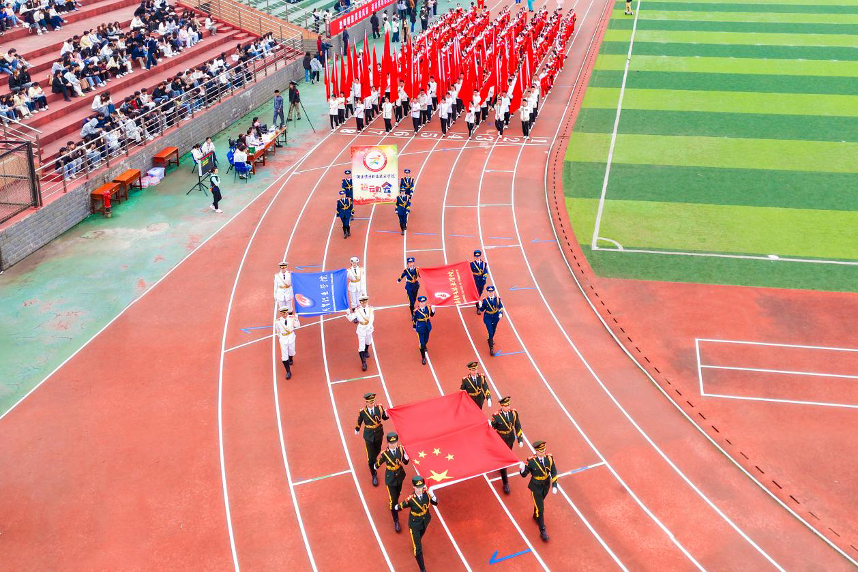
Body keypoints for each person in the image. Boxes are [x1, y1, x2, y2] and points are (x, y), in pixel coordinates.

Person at [395, 475, 437, 572]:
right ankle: (423, 569)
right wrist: (395, 507)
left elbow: (435, 503)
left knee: (421, 535)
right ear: (414, 487)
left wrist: (433, 495)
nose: (420, 489)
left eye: (421, 487)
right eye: (418, 487)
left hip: (425, 521)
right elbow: (401, 506)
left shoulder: (427, 494)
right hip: (414, 525)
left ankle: (416, 542)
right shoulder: (411, 499)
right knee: (417, 549)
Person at [519, 440, 558, 541]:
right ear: (536, 451)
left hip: (546, 485)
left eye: (544, 450)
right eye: (541, 451)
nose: (543, 452)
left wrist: (554, 485)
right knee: (540, 509)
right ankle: (542, 530)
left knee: (539, 504)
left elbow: (553, 471)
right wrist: (522, 469)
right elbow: (524, 475)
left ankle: (535, 515)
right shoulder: (531, 461)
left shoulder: (549, 458)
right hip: (536, 486)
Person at [376, 432, 410, 533]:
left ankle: (395, 504)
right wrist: (375, 466)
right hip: (390, 478)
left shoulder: (400, 449)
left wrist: (406, 458)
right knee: (393, 500)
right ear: (388, 443)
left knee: (398, 493)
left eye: (395, 442)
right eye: (391, 443)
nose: (393, 444)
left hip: (399, 475)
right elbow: (380, 462)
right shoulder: (385, 453)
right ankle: (396, 521)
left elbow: (405, 462)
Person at [491, 396, 524, 494]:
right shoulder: (496, 416)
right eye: (506, 406)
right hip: (501, 440)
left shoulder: (513, 413)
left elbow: (517, 425)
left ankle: (501, 467)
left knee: (507, 456)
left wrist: (520, 439)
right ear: (502, 406)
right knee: (504, 461)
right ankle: (505, 483)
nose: (508, 407)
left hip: (510, 438)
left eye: (508, 405)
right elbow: (492, 430)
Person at [355, 392, 388, 486]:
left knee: (377, 450)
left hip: (378, 434)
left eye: (373, 402)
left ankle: (373, 459)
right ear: (366, 402)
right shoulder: (363, 412)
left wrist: (388, 414)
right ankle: (374, 475)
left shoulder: (379, 408)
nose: (372, 403)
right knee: (370, 458)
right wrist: (357, 428)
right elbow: (359, 421)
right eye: (370, 402)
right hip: (369, 436)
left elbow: (384, 417)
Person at [347, 294, 374, 371]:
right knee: (361, 346)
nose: (364, 304)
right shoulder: (357, 310)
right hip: (361, 328)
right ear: (360, 302)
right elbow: (351, 319)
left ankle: (366, 350)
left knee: (368, 341)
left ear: (367, 301)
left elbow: (372, 318)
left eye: (365, 302)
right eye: (362, 302)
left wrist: (369, 325)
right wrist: (348, 313)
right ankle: (364, 363)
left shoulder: (371, 309)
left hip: (369, 328)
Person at [477, 285, 504, 356]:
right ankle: (491, 348)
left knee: (494, 329)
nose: (491, 293)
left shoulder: (497, 299)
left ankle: (490, 338)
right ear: (487, 292)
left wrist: (500, 313)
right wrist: (480, 306)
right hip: (488, 317)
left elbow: (500, 307)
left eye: (492, 292)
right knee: (490, 331)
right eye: (489, 292)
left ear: (493, 292)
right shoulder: (485, 300)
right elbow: (482, 310)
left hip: (495, 317)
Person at [412, 295, 435, 365]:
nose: (423, 303)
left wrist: (433, 310)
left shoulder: (428, 307)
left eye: (424, 302)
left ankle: (424, 346)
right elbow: (414, 319)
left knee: (426, 340)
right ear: (419, 302)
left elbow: (431, 315)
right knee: (421, 344)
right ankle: (423, 357)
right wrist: (414, 326)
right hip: (420, 328)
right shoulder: (416, 311)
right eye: (421, 302)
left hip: (427, 326)